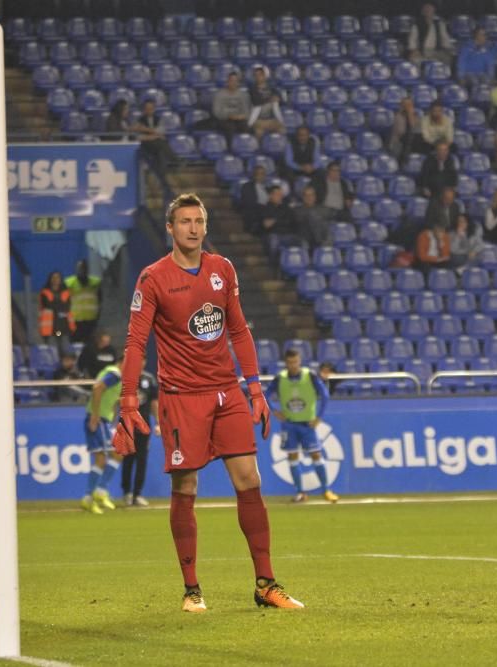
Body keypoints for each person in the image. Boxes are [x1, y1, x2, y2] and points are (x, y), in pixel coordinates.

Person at [113, 192, 304, 613]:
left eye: (199, 221)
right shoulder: (153, 278)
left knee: (250, 480)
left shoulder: (222, 269)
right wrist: (128, 401)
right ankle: (192, 588)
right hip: (182, 398)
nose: (193, 229)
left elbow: (238, 330)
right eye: (184, 221)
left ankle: (266, 584)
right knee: (186, 486)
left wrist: (254, 389)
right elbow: (134, 341)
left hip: (226, 393)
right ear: (170, 228)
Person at [266, 349, 337, 504]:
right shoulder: (280, 378)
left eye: (295, 361)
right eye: (290, 362)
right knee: (292, 457)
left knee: (316, 455)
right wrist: (274, 411)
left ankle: (326, 490)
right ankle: (300, 492)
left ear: (300, 361)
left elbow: (324, 394)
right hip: (289, 424)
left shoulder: (309, 376)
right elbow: (266, 394)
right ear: (286, 363)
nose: (293, 365)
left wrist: (319, 417)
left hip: (307, 423)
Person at [81, 354, 125, 515]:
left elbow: (112, 398)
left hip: (104, 420)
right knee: (101, 458)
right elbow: (98, 387)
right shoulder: (115, 374)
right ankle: (90, 497)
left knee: (117, 454)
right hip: (98, 419)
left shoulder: (116, 375)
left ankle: (98, 492)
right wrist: (95, 415)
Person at [121, 361, 159, 507]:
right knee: (128, 459)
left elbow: (154, 403)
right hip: (127, 424)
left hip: (143, 426)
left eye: (143, 360)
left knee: (141, 460)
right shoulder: (125, 378)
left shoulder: (149, 379)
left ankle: (137, 494)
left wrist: (158, 422)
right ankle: (127, 493)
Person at [131, 99, 175, 173]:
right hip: (145, 145)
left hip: (156, 144)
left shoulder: (158, 119)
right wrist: (153, 136)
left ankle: (161, 174)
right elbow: (138, 137)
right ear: (144, 110)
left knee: (160, 149)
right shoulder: (139, 120)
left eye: (151, 109)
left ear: (154, 109)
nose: (149, 110)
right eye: (147, 109)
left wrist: (146, 130)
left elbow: (161, 132)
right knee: (161, 144)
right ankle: (175, 160)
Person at [38, 271, 74, 357]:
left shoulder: (66, 292)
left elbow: (67, 306)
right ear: (50, 279)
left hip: (64, 326)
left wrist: (58, 305)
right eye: (53, 277)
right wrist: (60, 305)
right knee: (53, 351)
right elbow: (48, 305)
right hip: (50, 328)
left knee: (66, 350)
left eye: (57, 277)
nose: (55, 280)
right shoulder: (45, 292)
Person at [65, 259, 101, 343]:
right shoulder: (69, 283)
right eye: (80, 268)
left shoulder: (95, 283)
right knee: (75, 345)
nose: (82, 270)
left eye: (84, 268)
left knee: (89, 345)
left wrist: (98, 316)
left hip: (91, 320)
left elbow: (100, 301)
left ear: (88, 269)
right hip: (75, 320)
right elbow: (65, 301)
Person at [211, 71, 251, 139]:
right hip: (224, 119)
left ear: (238, 83)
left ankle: (244, 146)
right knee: (230, 127)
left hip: (239, 119)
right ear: (227, 82)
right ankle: (231, 147)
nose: (234, 83)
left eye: (236, 81)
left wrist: (241, 116)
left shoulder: (243, 95)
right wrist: (229, 116)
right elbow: (216, 112)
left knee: (245, 125)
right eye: (231, 80)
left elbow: (246, 111)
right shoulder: (219, 94)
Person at [247, 65, 285, 138]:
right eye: (256, 75)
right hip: (258, 120)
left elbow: (281, 101)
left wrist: (278, 99)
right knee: (258, 133)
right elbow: (256, 101)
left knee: (282, 130)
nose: (258, 77)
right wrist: (270, 99)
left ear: (264, 76)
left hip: (271, 120)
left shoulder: (272, 88)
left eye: (260, 75)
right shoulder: (252, 89)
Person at [388, 97, 421, 165]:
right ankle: (402, 163)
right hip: (398, 144)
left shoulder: (416, 116)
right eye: (406, 104)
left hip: (413, 143)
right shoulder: (398, 116)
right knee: (408, 138)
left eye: (410, 105)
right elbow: (401, 133)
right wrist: (409, 114)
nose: (408, 106)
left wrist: (410, 115)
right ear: (402, 106)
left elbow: (417, 131)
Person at [239, 164, 270, 234]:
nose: (261, 176)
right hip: (255, 217)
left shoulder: (268, 188)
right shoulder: (247, 187)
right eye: (259, 173)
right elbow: (249, 204)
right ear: (254, 175)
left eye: (263, 174)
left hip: (268, 214)